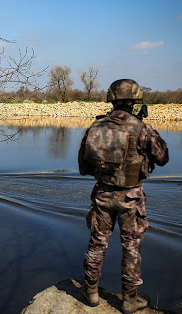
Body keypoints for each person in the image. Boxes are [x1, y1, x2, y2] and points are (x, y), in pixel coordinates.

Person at [78, 79, 169, 313]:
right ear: (135, 101)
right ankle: (129, 299)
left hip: (102, 194)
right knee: (131, 246)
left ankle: (90, 291)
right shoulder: (141, 128)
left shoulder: (96, 126)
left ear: (112, 99)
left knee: (97, 243)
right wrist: (144, 125)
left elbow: (83, 164)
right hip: (131, 198)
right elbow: (162, 157)